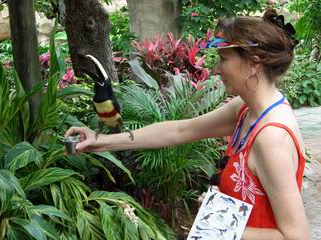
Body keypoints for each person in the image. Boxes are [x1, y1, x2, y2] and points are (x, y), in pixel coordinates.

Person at [65, 8, 309, 240]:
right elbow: (181, 129)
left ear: (253, 63)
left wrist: (217, 224)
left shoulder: (271, 138)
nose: (215, 69)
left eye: (223, 59)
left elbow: (295, 236)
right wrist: (100, 142)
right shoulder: (246, 109)